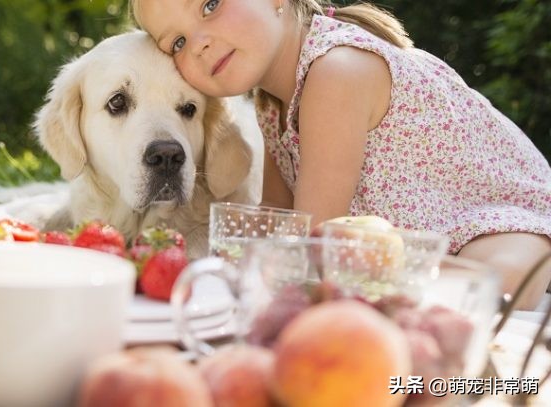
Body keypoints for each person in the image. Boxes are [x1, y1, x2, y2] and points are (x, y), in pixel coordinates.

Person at [131, 0, 551, 309]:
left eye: (210, 5)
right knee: (396, 294)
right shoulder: (270, 104)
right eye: (178, 42)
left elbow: (316, 240)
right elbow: (279, 219)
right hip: (414, 251)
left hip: (502, 223)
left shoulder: (337, 71)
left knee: (481, 288)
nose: (198, 45)